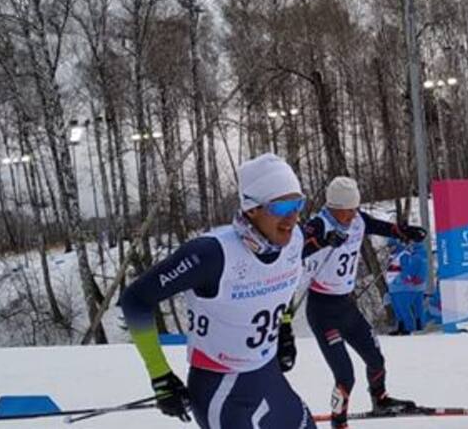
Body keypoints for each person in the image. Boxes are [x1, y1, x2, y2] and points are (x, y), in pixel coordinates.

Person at [119, 153, 315, 428]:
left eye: (297, 204)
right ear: (252, 208)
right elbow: (135, 300)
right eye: (280, 208)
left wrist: (283, 327)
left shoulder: (295, 241)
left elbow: (281, 280)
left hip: (268, 375)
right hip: (221, 388)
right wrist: (160, 376)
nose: (292, 218)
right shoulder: (211, 254)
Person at [301, 176, 428, 428]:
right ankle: (339, 422)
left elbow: (382, 227)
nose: (351, 215)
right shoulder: (318, 225)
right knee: (345, 376)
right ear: (333, 207)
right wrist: (322, 242)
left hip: (346, 306)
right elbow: (296, 249)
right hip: (321, 310)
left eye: (354, 209)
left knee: (375, 359)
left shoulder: (358, 219)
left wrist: (406, 232)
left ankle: (380, 399)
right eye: (346, 211)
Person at [387, 240, 426, 335]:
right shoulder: (392, 256)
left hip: (401, 286)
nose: (390, 248)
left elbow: (406, 269)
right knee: (398, 308)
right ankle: (401, 326)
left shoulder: (403, 255)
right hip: (393, 286)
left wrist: (406, 278)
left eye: (392, 246)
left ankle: (409, 327)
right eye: (389, 247)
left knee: (404, 308)